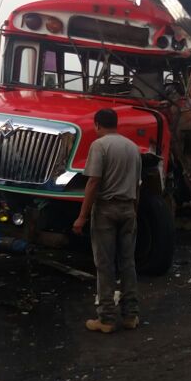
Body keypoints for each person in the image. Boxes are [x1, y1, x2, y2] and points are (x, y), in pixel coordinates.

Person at [73, 109, 142, 333]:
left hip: (106, 210)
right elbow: (137, 185)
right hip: (128, 208)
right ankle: (131, 315)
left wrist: (82, 216)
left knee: (105, 265)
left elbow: (93, 182)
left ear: (97, 125)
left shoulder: (99, 145)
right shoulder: (133, 147)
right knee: (128, 263)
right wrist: (134, 210)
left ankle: (106, 319)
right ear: (116, 123)